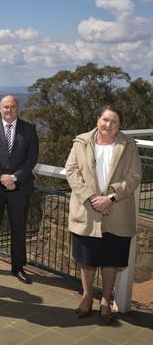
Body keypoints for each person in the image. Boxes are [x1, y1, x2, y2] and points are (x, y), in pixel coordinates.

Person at [65, 106, 141, 325]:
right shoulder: (81, 142)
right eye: (105, 119)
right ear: (98, 119)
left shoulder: (129, 146)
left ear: (120, 126)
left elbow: (135, 176)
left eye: (114, 122)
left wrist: (110, 198)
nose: (108, 125)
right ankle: (87, 297)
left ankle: (106, 300)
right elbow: (72, 171)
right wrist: (91, 198)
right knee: (87, 259)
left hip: (117, 211)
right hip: (87, 211)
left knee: (111, 259)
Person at [0, 95, 39, 284]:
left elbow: (32, 158)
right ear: (0, 109)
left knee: (19, 228)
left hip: (20, 187)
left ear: (18, 108)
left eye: (12, 107)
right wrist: (2, 178)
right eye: (5, 107)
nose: (9, 110)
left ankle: (18, 267)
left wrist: (14, 178)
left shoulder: (29, 129)